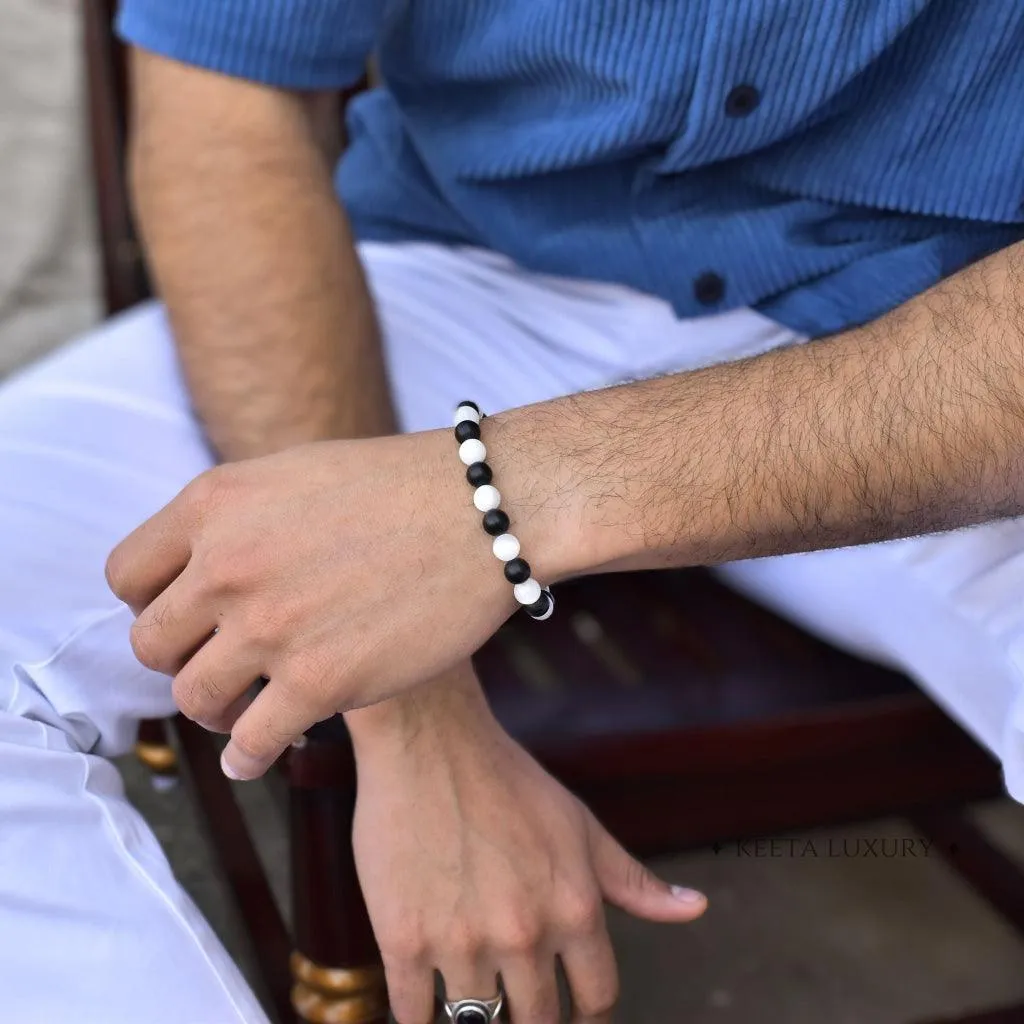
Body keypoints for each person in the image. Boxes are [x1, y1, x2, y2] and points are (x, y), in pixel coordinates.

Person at [2, 2, 1023, 1022]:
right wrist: (414, 718)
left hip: (939, 334)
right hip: (468, 271)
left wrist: (500, 497)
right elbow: (228, 113)